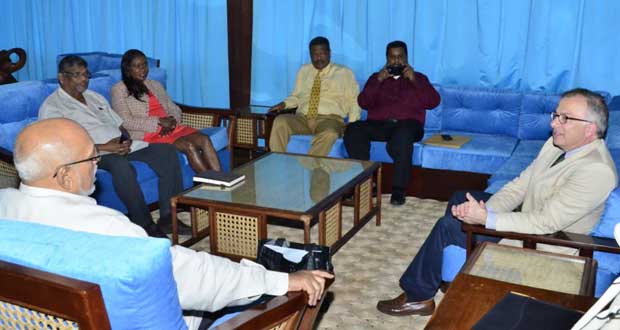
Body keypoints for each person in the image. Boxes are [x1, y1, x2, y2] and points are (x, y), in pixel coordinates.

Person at [0, 118, 334, 329]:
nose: (98, 162)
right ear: (65, 175)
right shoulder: (111, 233)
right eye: (91, 157)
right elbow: (201, 277)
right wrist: (282, 280)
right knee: (254, 293)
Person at [376, 88, 617, 316]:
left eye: (565, 119)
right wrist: (485, 210)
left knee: (447, 226)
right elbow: (519, 185)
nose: (554, 123)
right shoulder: (556, 145)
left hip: (545, 243)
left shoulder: (596, 170)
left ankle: (417, 296)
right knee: (461, 198)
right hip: (530, 217)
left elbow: (545, 223)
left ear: (590, 129)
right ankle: (451, 274)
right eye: (556, 115)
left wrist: (486, 219)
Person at [39, 55, 184, 238]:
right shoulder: (52, 107)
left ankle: (167, 218)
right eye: (76, 75)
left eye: (85, 74)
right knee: (120, 165)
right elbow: (61, 146)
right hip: (92, 154)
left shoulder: (94, 97)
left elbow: (120, 125)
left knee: (166, 151)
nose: (83, 79)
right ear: (61, 77)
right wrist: (104, 148)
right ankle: (145, 224)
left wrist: (126, 139)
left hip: (121, 146)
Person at [344, 41, 440, 206]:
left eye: (400, 57)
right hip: (380, 125)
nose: (396, 61)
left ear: (406, 58)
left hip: (409, 125)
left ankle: (398, 189)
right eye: (392, 57)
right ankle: (366, 182)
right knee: (353, 129)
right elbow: (363, 102)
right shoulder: (376, 78)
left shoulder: (419, 78)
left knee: (402, 135)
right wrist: (378, 81)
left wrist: (414, 81)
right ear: (387, 59)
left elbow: (433, 102)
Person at [111, 49, 221, 173]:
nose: (143, 70)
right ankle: (211, 184)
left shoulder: (155, 85)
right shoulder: (119, 89)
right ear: (127, 69)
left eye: (145, 65)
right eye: (137, 66)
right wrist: (159, 122)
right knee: (189, 146)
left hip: (172, 127)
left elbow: (174, 108)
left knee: (204, 139)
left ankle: (221, 180)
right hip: (149, 134)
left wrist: (172, 121)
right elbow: (125, 121)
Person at [268, 36, 360, 156]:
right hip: (303, 118)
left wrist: (352, 124)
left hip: (329, 119)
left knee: (330, 133)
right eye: (314, 54)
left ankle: (308, 168)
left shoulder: (344, 72)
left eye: (322, 53)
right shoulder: (304, 70)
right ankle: (278, 163)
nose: (318, 58)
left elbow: (354, 101)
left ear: (329, 53)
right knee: (280, 121)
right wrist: (284, 104)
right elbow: (296, 96)